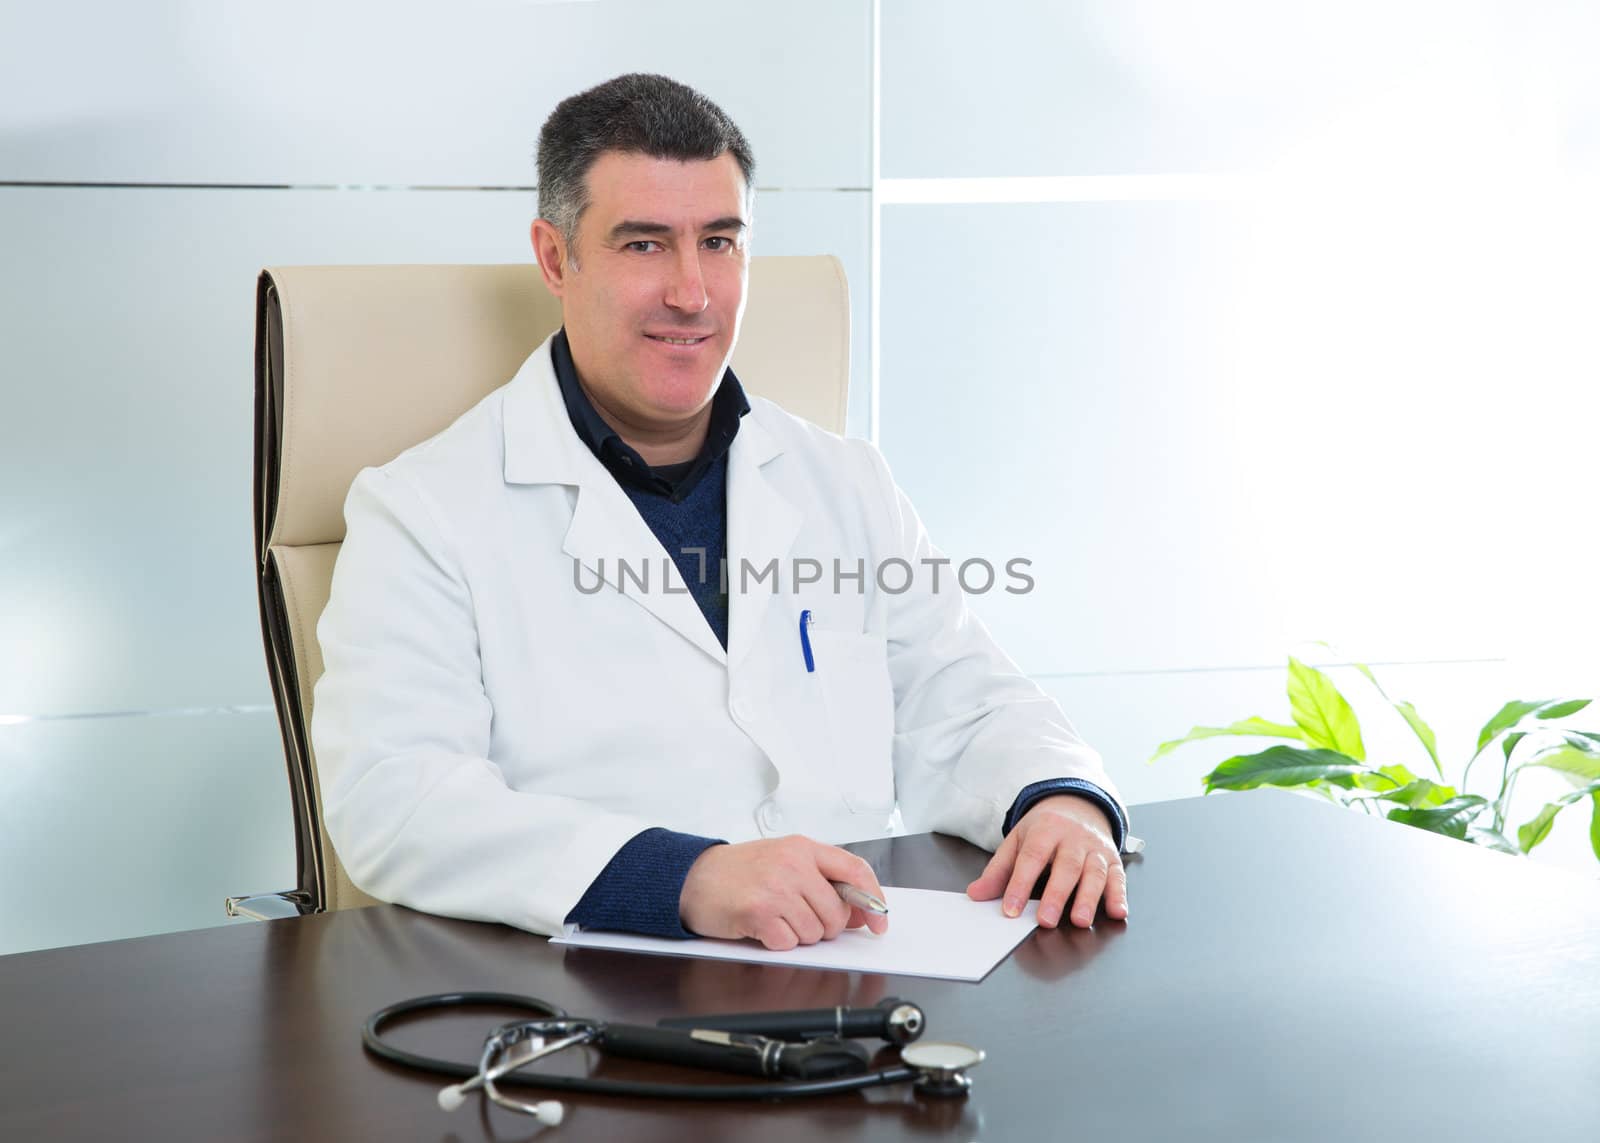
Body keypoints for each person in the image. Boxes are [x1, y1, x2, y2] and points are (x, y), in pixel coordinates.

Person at [313, 73, 1131, 952]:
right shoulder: (423, 512)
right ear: (556, 259)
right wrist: (686, 876)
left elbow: (962, 701)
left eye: (720, 241)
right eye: (644, 245)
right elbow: (396, 801)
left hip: (854, 978)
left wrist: (1059, 799)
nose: (693, 292)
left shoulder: (844, 482)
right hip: (595, 1008)